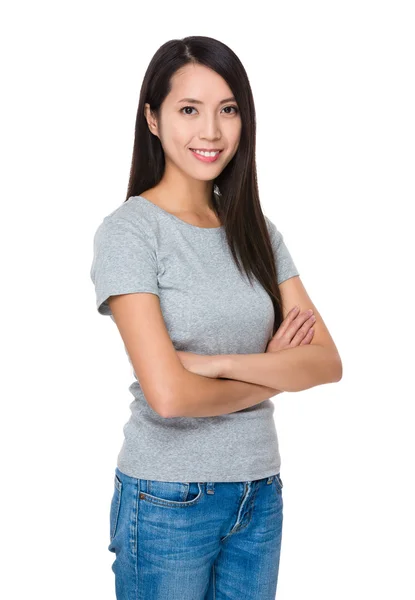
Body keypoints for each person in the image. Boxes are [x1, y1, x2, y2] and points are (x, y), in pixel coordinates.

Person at [90, 35, 342, 600]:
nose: (211, 131)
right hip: (167, 497)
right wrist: (273, 372)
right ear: (152, 119)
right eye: (189, 110)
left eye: (228, 110)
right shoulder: (130, 232)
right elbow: (170, 397)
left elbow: (326, 362)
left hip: (260, 491)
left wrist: (222, 364)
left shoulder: (255, 229)